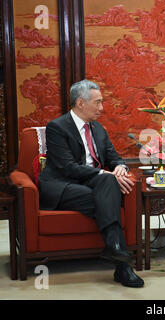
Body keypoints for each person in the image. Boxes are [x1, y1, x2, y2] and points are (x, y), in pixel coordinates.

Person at [39, 79, 144, 287]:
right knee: (107, 192)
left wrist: (120, 168)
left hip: (92, 184)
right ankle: (122, 265)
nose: (101, 108)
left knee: (107, 184)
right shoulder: (57, 128)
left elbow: (114, 157)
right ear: (80, 103)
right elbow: (67, 168)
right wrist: (105, 174)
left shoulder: (98, 128)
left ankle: (116, 252)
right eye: (97, 102)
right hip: (63, 186)